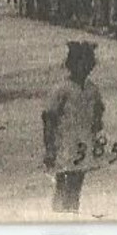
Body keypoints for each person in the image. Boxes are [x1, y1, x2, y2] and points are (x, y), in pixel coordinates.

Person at [41, 42, 104, 214]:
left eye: (88, 63)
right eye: (79, 62)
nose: (83, 67)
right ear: (71, 64)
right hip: (65, 141)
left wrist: (97, 136)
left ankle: (73, 212)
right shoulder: (62, 89)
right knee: (63, 180)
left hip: (83, 141)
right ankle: (59, 215)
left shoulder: (92, 89)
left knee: (77, 182)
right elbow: (49, 118)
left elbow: (98, 114)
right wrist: (49, 148)